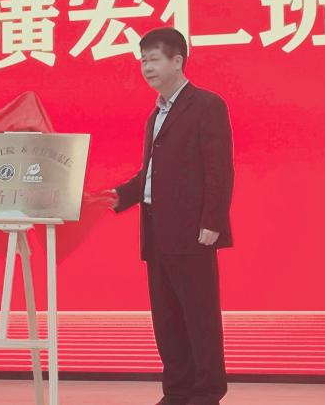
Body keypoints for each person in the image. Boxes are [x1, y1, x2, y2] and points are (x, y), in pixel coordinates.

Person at [104, 27, 235, 405]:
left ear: (178, 61)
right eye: (142, 60)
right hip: (157, 231)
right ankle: (177, 391)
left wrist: (212, 222)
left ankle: (207, 392)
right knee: (167, 319)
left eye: (154, 59)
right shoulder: (156, 114)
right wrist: (114, 197)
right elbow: (150, 174)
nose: (146, 67)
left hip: (193, 232)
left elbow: (219, 169)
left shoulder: (207, 105)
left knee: (199, 316)